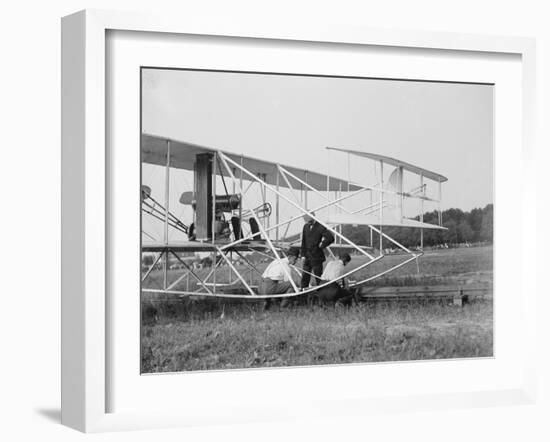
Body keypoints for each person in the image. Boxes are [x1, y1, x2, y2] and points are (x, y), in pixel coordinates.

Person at [300, 213, 334, 289]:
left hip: (317, 257)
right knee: (305, 277)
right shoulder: (305, 227)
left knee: (318, 277)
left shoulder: (320, 226)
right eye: (305, 220)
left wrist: (322, 244)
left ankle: (321, 294)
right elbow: (304, 242)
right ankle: (302, 295)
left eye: (308, 220)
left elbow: (330, 238)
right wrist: (302, 255)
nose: (307, 222)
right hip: (307, 257)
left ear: (312, 217)